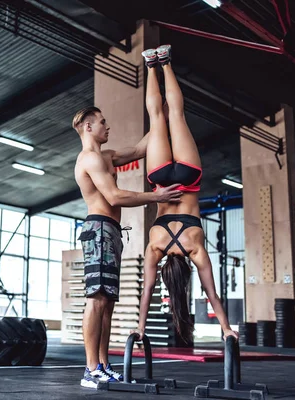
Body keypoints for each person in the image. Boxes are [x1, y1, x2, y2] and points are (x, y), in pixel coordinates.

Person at [132, 44, 238, 345]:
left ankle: (164, 62)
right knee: (157, 117)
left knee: (175, 114)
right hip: (160, 179)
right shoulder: (155, 248)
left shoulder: (196, 250)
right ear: (167, 272)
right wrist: (139, 328)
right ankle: (152, 65)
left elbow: (212, 295)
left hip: (189, 178)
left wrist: (226, 328)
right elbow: (147, 292)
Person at [72, 105, 183, 388]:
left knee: (107, 302)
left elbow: (137, 150)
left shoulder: (107, 156)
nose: (107, 127)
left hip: (110, 230)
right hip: (97, 229)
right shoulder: (89, 159)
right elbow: (114, 196)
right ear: (88, 127)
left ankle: (103, 366)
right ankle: (90, 369)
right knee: (96, 298)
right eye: (102, 122)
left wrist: (162, 118)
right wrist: (156, 196)